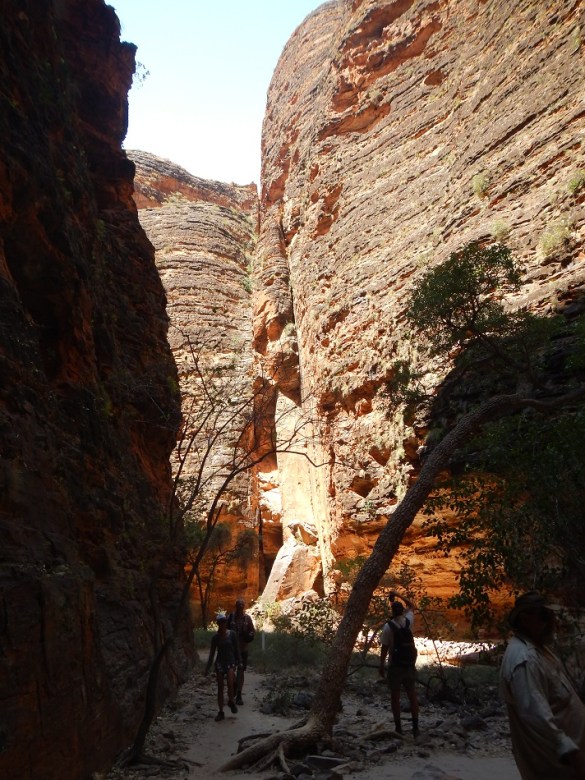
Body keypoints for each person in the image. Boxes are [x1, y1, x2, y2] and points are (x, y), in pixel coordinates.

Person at [499, 590, 585, 779]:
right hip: (558, 765)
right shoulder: (525, 660)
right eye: (545, 616)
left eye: (552, 615)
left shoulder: (537, 649)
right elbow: (537, 716)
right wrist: (572, 752)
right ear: (525, 619)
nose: (553, 622)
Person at [379, 591, 420, 737]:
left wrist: (381, 665)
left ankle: (398, 728)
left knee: (395, 697)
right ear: (403, 611)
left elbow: (384, 648)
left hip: (395, 666)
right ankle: (415, 728)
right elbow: (412, 606)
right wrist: (398, 595)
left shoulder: (388, 627)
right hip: (409, 665)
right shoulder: (408, 621)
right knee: (412, 695)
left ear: (392, 612)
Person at [204, 612, 241, 721]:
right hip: (220, 663)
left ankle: (231, 701)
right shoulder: (215, 638)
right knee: (220, 687)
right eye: (220, 622)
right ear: (218, 623)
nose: (223, 624)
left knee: (230, 683)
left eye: (224, 621)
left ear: (226, 622)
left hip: (230, 661)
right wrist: (207, 668)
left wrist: (240, 661)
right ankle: (221, 712)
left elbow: (237, 648)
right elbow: (212, 654)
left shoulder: (232, 634)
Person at [227, 598, 255, 705]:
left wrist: (250, 635)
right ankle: (234, 684)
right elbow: (225, 630)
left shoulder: (247, 618)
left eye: (242, 605)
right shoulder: (230, 617)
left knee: (241, 671)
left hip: (243, 649)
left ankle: (239, 694)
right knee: (231, 671)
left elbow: (252, 630)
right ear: (236, 606)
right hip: (231, 650)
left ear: (244, 606)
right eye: (239, 605)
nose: (240, 606)